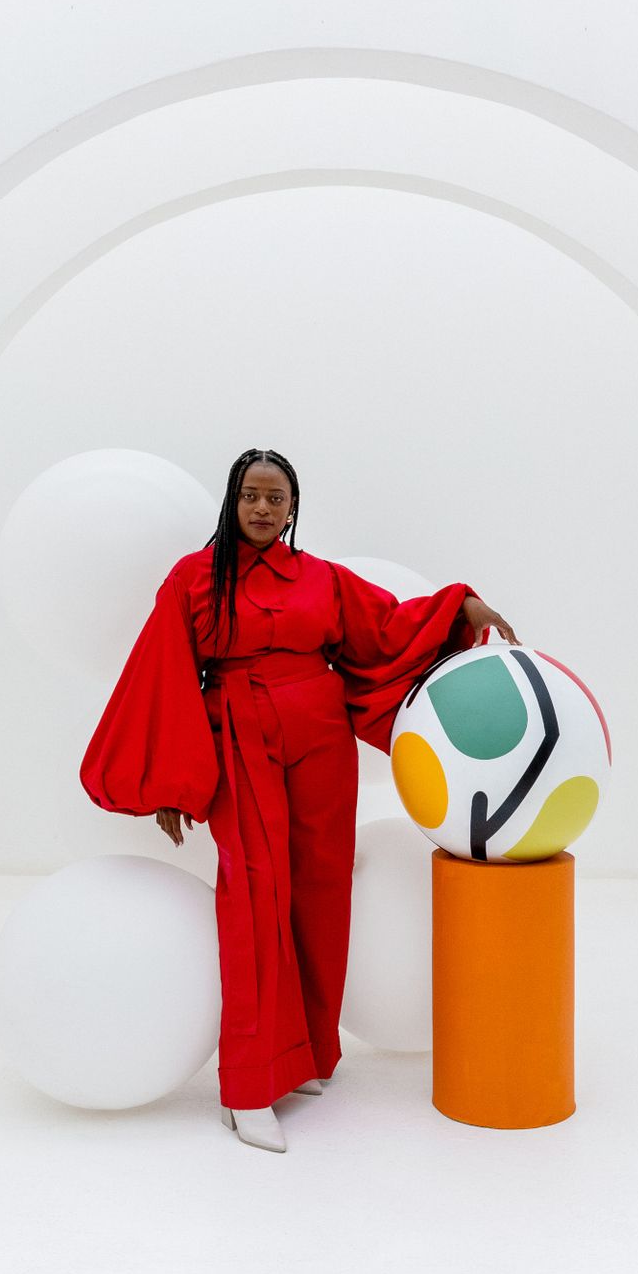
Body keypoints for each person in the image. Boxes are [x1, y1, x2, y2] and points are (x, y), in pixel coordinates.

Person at [79, 448, 518, 1152]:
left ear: (292, 507)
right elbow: (161, 672)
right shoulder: (195, 577)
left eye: (275, 498)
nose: (262, 508)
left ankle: (309, 1054)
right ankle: (249, 1085)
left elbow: (384, 628)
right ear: (233, 500)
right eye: (251, 495)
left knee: (320, 889)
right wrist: (169, 778)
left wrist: (460, 604)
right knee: (255, 892)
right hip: (241, 735)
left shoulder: (319, 577)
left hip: (321, 736)